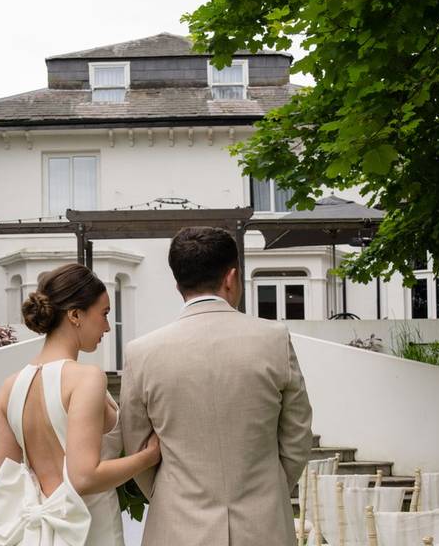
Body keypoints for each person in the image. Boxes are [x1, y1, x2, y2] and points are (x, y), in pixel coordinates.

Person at [120, 226, 313, 546]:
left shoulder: (141, 352)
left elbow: (138, 445)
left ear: (177, 284)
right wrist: (270, 487)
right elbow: (297, 434)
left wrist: (170, 494)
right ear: (231, 277)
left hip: (176, 524)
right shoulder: (274, 339)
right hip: (263, 523)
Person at [0, 263, 160, 546]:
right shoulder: (86, 378)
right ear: (75, 314)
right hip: (89, 530)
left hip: (37, 535)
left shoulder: (9, 387)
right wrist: (147, 457)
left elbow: (2, 485)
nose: (107, 327)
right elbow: (84, 476)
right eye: (103, 314)